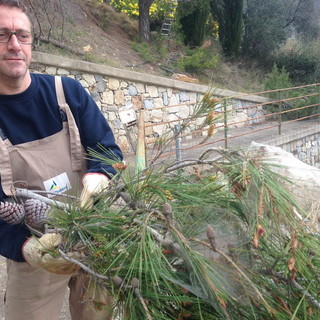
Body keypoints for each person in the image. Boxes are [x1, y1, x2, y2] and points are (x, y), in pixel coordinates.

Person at [0, 0, 123, 319]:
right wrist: (25, 248)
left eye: (22, 35)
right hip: (35, 252)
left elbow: (108, 152)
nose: (14, 44)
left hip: (90, 236)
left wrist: (101, 177)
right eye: (2, 35)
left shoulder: (66, 93)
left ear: (31, 44)